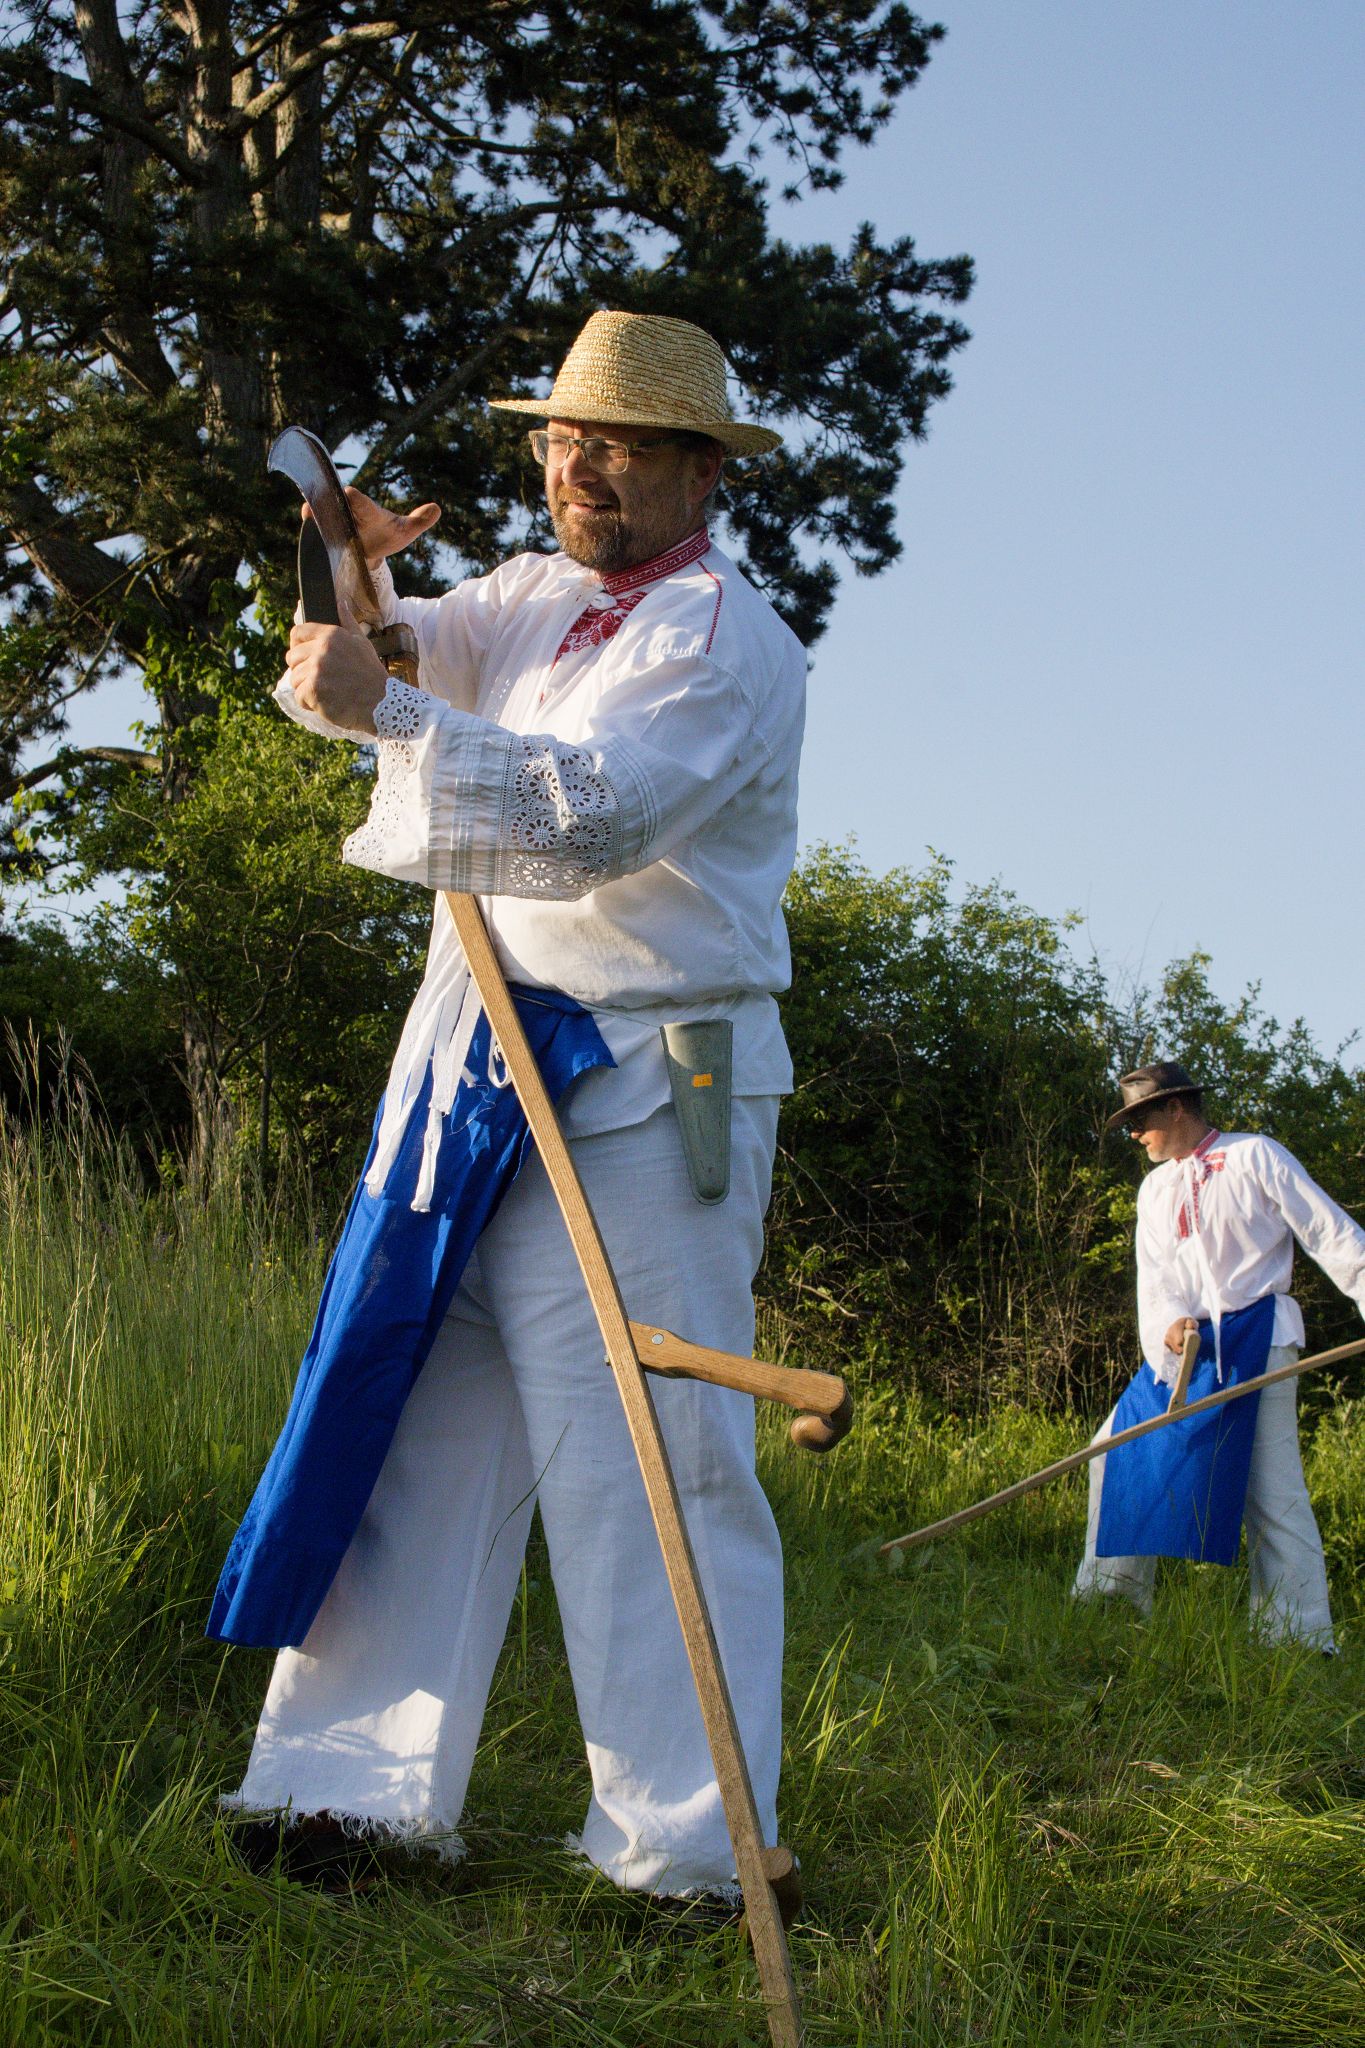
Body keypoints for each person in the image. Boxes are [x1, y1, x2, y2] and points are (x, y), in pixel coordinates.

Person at [209, 310, 806, 1899]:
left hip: (650, 1075)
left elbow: (587, 819)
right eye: (559, 436)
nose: (576, 464)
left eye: (613, 441)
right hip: (476, 1062)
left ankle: (687, 1851)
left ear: (697, 468)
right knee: (417, 1413)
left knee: (652, 1457)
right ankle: (343, 1802)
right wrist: (349, 576)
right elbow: (396, 664)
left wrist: (390, 709)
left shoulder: (723, 642)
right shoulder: (534, 599)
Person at [1073, 1060, 1365, 1647]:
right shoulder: (1154, 1189)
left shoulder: (1255, 1155)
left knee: (1271, 1490)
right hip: (1186, 1350)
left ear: (1177, 1107)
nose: (1134, 1133)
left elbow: (1328, 1232)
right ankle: (1113, 1599)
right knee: (1112, 1448)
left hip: (1259, 1335)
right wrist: (1170, 1323)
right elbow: (1155, 1277)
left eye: (1141, 1119)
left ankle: (1298, 1636)